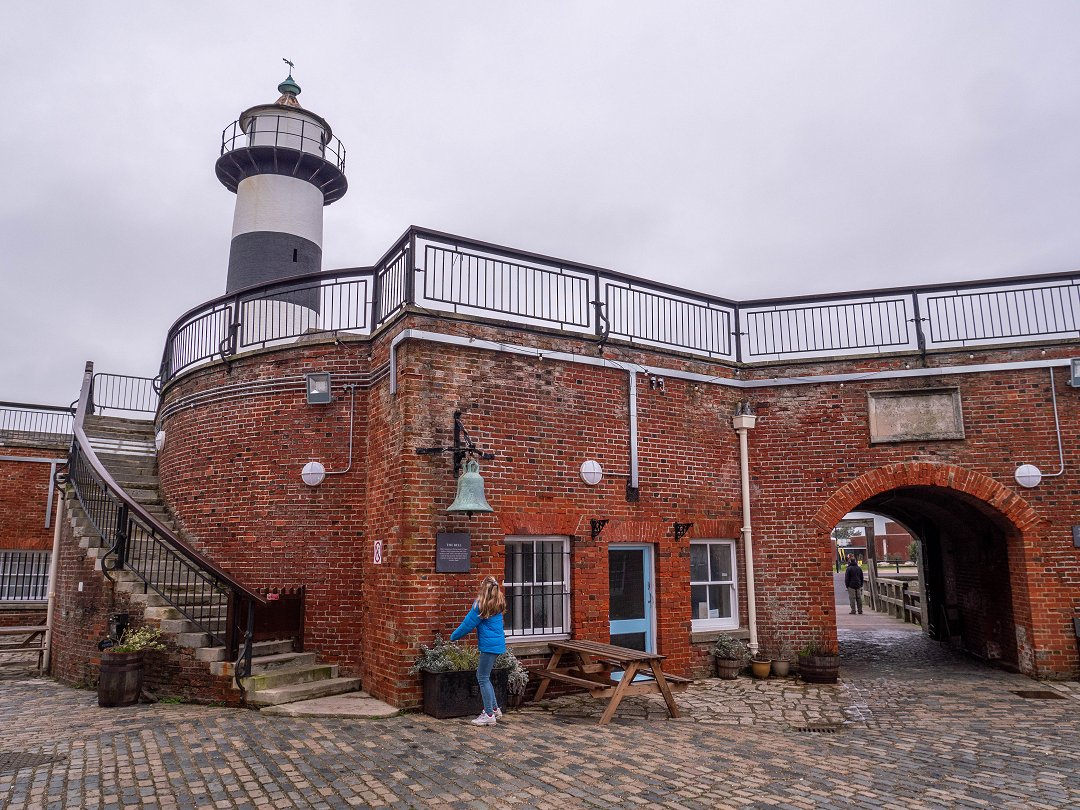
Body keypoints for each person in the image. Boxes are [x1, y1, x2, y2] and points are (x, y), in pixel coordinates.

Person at [450, 575, 507, 726]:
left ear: (483, 588)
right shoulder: (498, 602)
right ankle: (494, 709)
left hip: (489, 646)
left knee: (482, 677)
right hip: (497, 645)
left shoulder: (480, 605)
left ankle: (488, 714)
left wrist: (453, 637)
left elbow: (467, 624)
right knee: (485, 677)